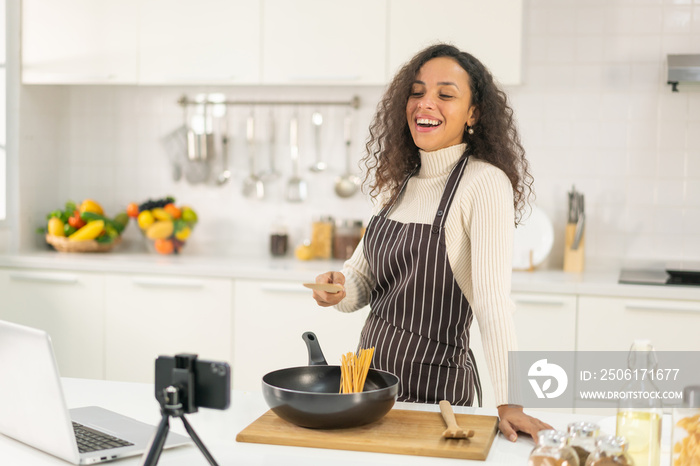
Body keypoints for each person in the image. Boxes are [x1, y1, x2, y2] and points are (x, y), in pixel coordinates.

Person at [312, 43, 550, 442]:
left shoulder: (484, 183)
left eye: (446, 94)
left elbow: (492, 301)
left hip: (438, 399)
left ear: (473, 113)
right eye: (417, 91)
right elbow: (362, 279)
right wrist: (338, 287)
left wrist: (511, 403)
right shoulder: (397, 183)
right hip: (368, 389)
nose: (426, 104)